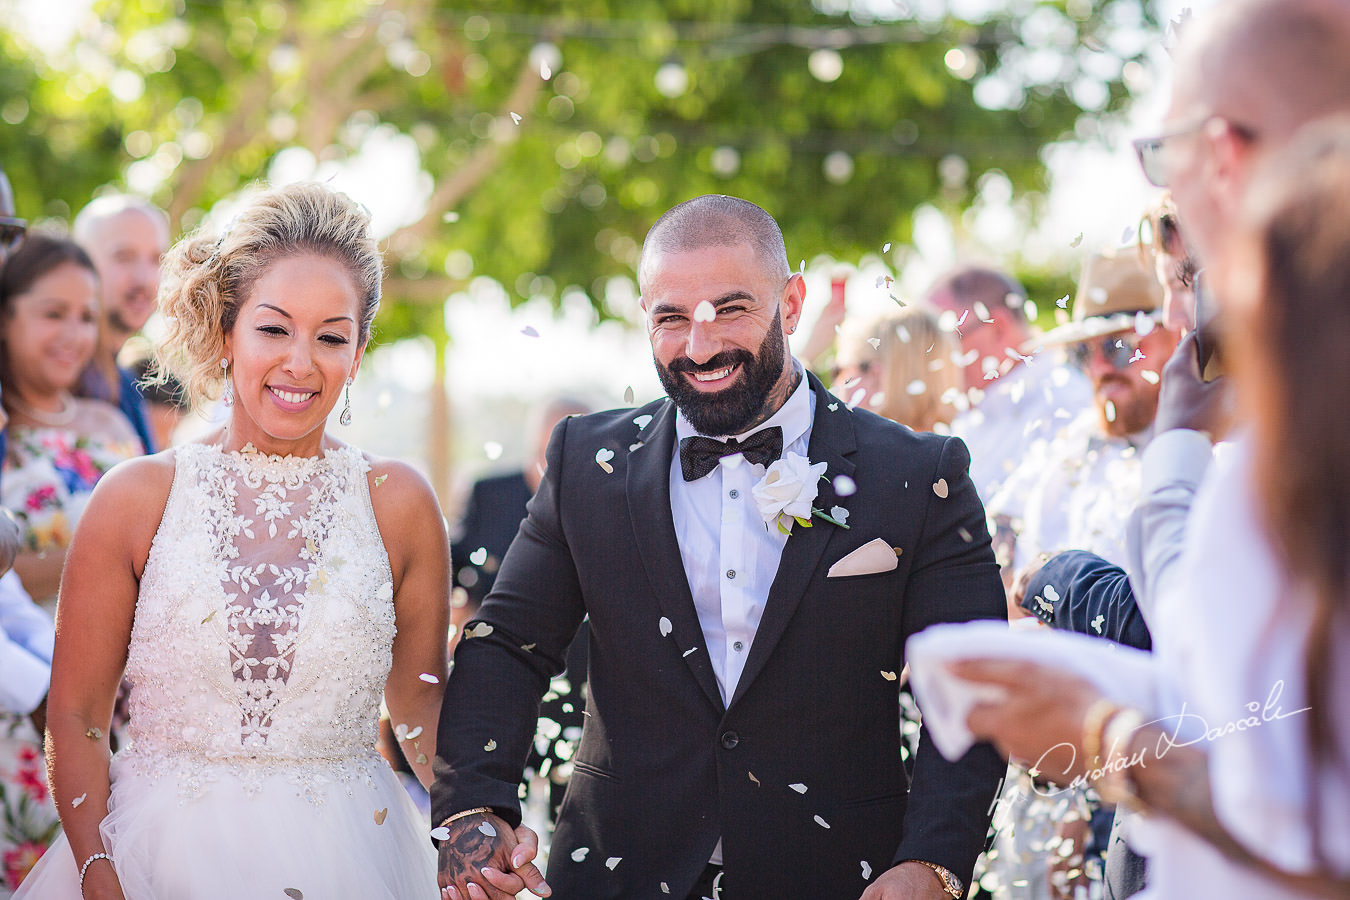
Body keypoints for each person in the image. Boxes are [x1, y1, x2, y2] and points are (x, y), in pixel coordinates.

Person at [432, 194, 1006, 900]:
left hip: (845, 880)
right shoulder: (586, 461)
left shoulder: (919, 475)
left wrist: (935, 863)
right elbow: (508, 644)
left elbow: (977, 685)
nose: (698, 348)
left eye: (730, 309)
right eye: (670, 318)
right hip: (620, 875)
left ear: (791, 305)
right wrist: (474, 809)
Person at [13, 182, 449, 899]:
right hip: (157, 857)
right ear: (225, 333)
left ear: (360, 350)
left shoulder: (398, 502)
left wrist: (476, 819)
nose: (301, 362)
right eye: (273, 329)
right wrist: (97, 869)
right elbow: (79, 716)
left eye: (332, 336)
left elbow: (420, 708)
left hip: (352, 855)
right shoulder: (135, 497)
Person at [953, 112, 1350, 900]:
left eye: (1119, 341)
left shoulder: (1264, 457)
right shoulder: (1061, 464)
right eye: (1086, 351)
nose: (1107, 365)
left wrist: (1074, 596)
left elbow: (1194, 654)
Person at [988, 250, 1178, 582]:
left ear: (1177, 338)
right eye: (1082, 352)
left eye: (1118, 346)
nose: (1098, 368)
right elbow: (1003, 530)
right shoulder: (1073, 441)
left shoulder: (1213, 449)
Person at [0, 235, 142, 605]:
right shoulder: (4, 431)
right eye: (54, 314)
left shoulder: (113, 424)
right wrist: (112, 559)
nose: (73, 335)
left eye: (87, 317)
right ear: (4, 317)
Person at [927, 266, 1091, 505]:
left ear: (998, 328)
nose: (935, 358)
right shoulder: (968, 417)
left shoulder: (1066, 404)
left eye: (946, 340)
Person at [72, 195, 170, 454]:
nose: (145, 278)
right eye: (124, 257)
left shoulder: (128, 386)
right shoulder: (50, 379)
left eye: (156, 260)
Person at [831, 304, 964, 432]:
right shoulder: (958, 448)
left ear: (874, 375)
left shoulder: (869, 453)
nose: (836, 384)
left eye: (839, 371)